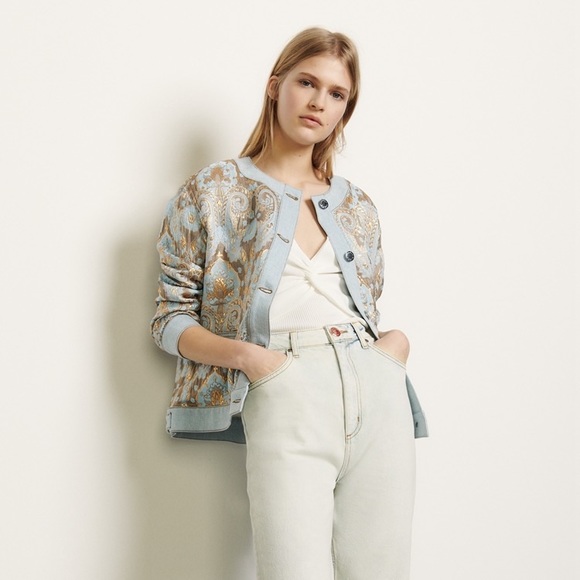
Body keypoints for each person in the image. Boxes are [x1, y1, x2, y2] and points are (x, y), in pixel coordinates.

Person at [151, 26, 427, 580]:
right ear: (276, 86)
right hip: (283, 386)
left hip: (377, 391)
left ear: (345, 109)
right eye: (307, 83)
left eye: (336, 93)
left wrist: (392, 350)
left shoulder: (357, 206)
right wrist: (252, 360)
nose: (319, 102)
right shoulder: (212, 189)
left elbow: (366, 307)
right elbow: (169, 318)